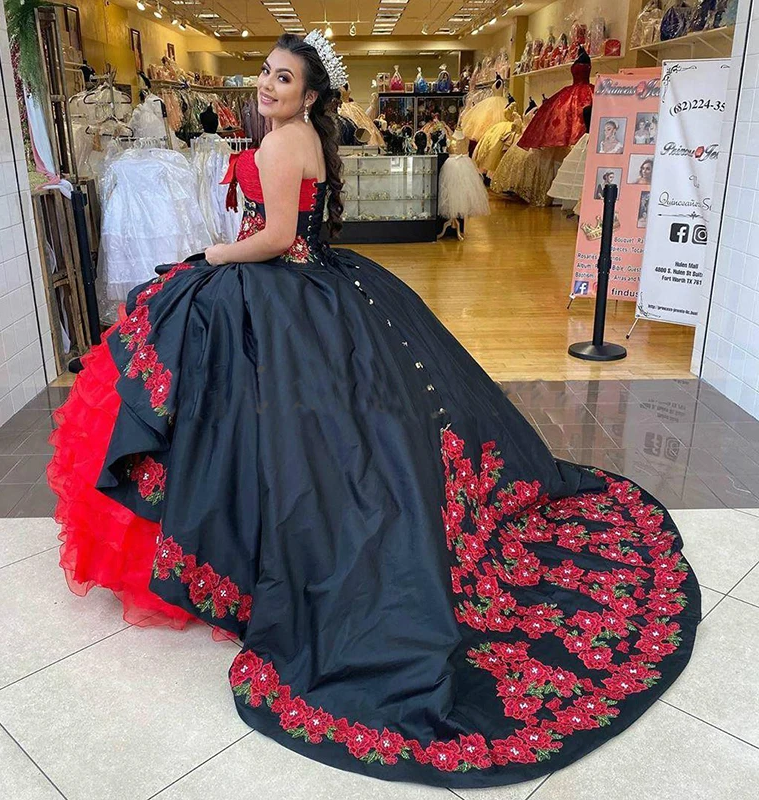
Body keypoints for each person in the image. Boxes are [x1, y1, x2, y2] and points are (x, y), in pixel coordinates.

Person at [48, 31, 700, 789]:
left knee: (260, 416)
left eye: (282, 78)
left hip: (282, 286)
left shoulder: (281, 144)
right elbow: (304, 233)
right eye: (265, 73)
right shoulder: (302, 139)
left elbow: (278, 238)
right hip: (322, 285)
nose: (266, 85)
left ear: (311, 94)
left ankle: (253, 537)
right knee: (323, 425)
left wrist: (209, 257)